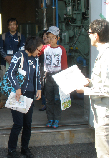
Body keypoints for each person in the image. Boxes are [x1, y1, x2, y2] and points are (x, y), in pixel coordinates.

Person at [76, 19, 109, 157]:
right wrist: (89, 82)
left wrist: (86, 90)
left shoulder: (106, 56)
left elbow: (107, 88)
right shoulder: (103, 53)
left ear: (96, 35)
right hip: (101, 113)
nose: (88, 35)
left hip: (105, 114)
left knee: (104, 153)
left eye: (89, 32)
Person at [6, 36, 43, 158]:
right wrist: (17, 88)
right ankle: (11, 150)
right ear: (32, 47)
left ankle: (25, 148)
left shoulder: (36, 58)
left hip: (30, 95)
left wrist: (38, 89)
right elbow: (10, 73)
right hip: (18, 94)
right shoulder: (19, 55)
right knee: (18, 123)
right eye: (38, 49)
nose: (39, 52)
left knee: (28, 123)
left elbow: (37, 75)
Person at [39, 26, 68, 128]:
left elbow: (64, 65)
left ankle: (57, 119)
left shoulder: (61, 49)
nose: (51, 40)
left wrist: (65, 79)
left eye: (53, 37)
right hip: (48, 76)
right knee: (49, 99)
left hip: (59, 76)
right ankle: (50, 118)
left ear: (58, 38)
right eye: (49, 37)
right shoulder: (45, 48)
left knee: (57, 99)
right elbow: (36, 52)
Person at [0, 18, 26, 109]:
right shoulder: (3, 36)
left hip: (17, 63)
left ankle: (15, 100)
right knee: (4, 81)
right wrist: (6, 57)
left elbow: (22, 49)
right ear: (8, 26)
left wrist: (13, 58)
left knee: (17, 81)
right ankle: (3, 100)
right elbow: (0, 48)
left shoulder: (20, 36)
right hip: (4, 62)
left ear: (17, 26)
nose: (12, 26)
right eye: (10, 24)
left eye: (14, 24)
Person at [39, 30, 49, 111]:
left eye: (46, 35)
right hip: (42, 69)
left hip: (50, 70)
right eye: (43, 36)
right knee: (43, 86)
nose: (45, 37)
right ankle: (44, 103)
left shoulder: (53, 48)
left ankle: (49, 104)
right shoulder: (40, 48)